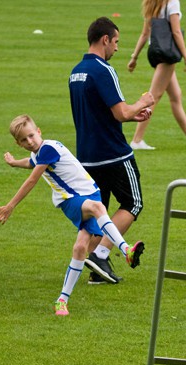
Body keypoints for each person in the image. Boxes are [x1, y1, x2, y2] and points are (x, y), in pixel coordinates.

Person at [0, 115, 145, 316]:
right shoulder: (44, 150)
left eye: (31, 136)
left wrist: (14, 163)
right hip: (72, 199)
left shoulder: (45, 150)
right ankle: (126, 251)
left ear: (38, 131)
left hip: (89, 194)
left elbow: (30, 163)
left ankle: (62, 300)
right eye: (23, 140)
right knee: (98, 208)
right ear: (18, 143)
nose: (29, 142)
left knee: (80, 247)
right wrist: (11, 205)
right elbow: (32, 179)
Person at [69, 16, 155, 285]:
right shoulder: (102, 69)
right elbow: (120, 113)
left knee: (100, 213)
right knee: (133, 202)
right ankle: (102, 253)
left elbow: (101, 113)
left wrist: (133, 116)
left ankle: (97, 272)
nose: (117, 48)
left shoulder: (76, 72)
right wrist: (143, 102)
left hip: (87, 156)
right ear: (105, 39)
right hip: (114, 154)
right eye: (116, 41)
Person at [126, 0, 186, 150]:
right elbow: (176, 32)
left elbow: (145, 34)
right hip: (167, 54)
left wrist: (134, 57)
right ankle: (137, 140)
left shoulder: (151, 3)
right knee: (153, 97)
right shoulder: (172, 3)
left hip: (155, 52)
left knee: (176, 96)